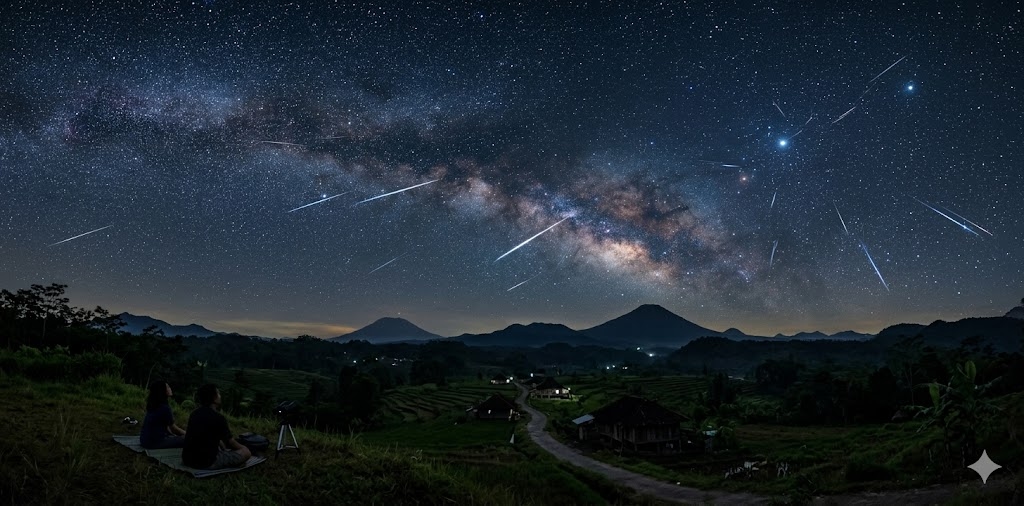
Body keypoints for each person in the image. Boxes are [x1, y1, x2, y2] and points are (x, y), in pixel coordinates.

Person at [181, 384, 251, 469]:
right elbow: (231, 443)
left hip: (187, 459)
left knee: (220, 444)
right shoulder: (219, 418)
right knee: (246, 452)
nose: (220, 396)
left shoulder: (194, 414)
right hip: (206, 463)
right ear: (214, 398)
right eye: (218, 393)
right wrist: (244, 448)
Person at [139, 380, 186, 449]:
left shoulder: (154, 405)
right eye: (168, 387)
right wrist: (188, 434)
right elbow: (174, 429)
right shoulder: (164, 408)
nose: (170, 388)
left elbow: (167, 427)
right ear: (163, 391)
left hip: (144, 441)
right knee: (188, 440)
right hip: (154, 443)